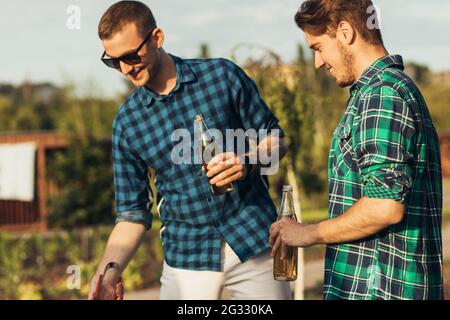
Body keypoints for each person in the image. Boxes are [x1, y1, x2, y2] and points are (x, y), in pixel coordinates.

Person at [88, 1, 291, 300]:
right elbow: (131, 213)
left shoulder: (222, 75)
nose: (125, 68)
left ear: (157, 38)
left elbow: (277, 140)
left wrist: (248, 161)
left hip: (253, 238)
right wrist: (107, 272)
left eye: (132, 55)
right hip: (186, 257)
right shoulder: (127, 122)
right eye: (113, 61)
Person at [270, 0, 443, 300]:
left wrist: (308, 233)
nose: (318, 62)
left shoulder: (382, 95)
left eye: (318, 48)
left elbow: (384, 207)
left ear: (346, 32)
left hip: (379, 290)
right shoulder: (380, 91)